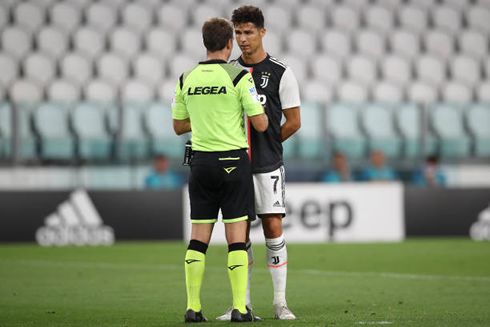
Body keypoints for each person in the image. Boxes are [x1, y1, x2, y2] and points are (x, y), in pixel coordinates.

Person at [171, 17, 268, 323]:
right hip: (232, 163)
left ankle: (193, 307)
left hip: (200, 164)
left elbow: (177, 126)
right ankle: (240, 308)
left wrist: (203, 119)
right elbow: (262, 124)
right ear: (229, 44)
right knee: (236, 239)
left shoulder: (186, 78)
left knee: (198, 238)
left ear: (205, 43)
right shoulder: (240, 77)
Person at [217, 5, 301, 321]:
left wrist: (269, 144)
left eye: (248, 32)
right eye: (237, 33)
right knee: (239, 233)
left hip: (267, 165)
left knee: (272, 226)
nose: (242, 39)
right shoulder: (227, 72)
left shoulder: (281, 72)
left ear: (262, 32)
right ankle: (243, 304)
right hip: (234, 164)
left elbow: (294, 121)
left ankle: (280, 302)